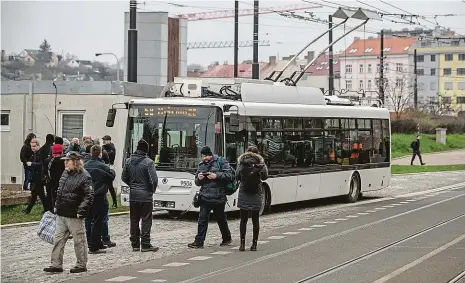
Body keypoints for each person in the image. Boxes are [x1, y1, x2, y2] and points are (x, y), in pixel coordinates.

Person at [43, 151, 93, 274]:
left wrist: (81, 210)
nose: (65, 162)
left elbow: (89, 195)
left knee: (79, 240)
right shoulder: (65, 173)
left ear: (75, 162)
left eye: (67, 160)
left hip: (74, 214)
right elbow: (60, 191)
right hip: (61, 213)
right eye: (65, 160)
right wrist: (56, 206)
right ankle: (56, 264)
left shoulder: (84, 176)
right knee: (58, 239)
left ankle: (81, 264)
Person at [188, 146, 232, 249]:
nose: (204, 158)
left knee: (221, 219)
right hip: (205, 197)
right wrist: (199, 178)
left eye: (206, 156)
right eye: (203, 156)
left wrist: (216, 176)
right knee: (202, 220)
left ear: (210, 155)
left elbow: (229, 175)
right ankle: (199, 242)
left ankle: (226, 238)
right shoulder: (201, 165)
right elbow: (197, 182)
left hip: (219, 196)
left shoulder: (221, 161)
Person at [122, 139, 159, 252]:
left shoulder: (128, 161)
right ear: (146, 150)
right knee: (146, 219)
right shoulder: (148, 162)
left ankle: (135, 244)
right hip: (146, 195)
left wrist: (132, 186)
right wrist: (151, 190)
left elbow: (124, 177)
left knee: (134, 219)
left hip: (133, 195)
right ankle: (146, 243)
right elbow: (154, 180)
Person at [235, 146, 268, 251]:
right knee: (255, 220)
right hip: (256, 192)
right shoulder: (260, 163)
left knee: (243, 220)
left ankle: (242, 244)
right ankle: (254, 244)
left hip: (244, 192)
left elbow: (237, 176)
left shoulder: (241, 162)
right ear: (257, 153)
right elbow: (265, 176)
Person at [84, 145, 116, 254]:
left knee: (88, 219)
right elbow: (110, 177)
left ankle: (92, 242)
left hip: (87, 196)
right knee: (97, 221)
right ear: (100, 153)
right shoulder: (103, 166)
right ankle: (94, 245)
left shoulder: (85, 166)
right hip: (99, 196)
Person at [23, 139, 50, 214]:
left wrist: (32, 164)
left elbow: (42, 164)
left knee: (40, 195)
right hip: (35, 177)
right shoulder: (34, 154)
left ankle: (46, 209)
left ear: (38, 145)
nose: (33, 148)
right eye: (32, 146)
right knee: (35, 194)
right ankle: (29, 209)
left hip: (39, 177)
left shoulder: (40, 153)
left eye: (34, 146)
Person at [43, 143, 66, 211]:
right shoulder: (64, 161)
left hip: (51, 183)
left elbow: (44, 172)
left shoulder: (47, 161)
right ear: (61, 151)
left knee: (51, 198)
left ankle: (51, 211)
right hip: (62, 183)